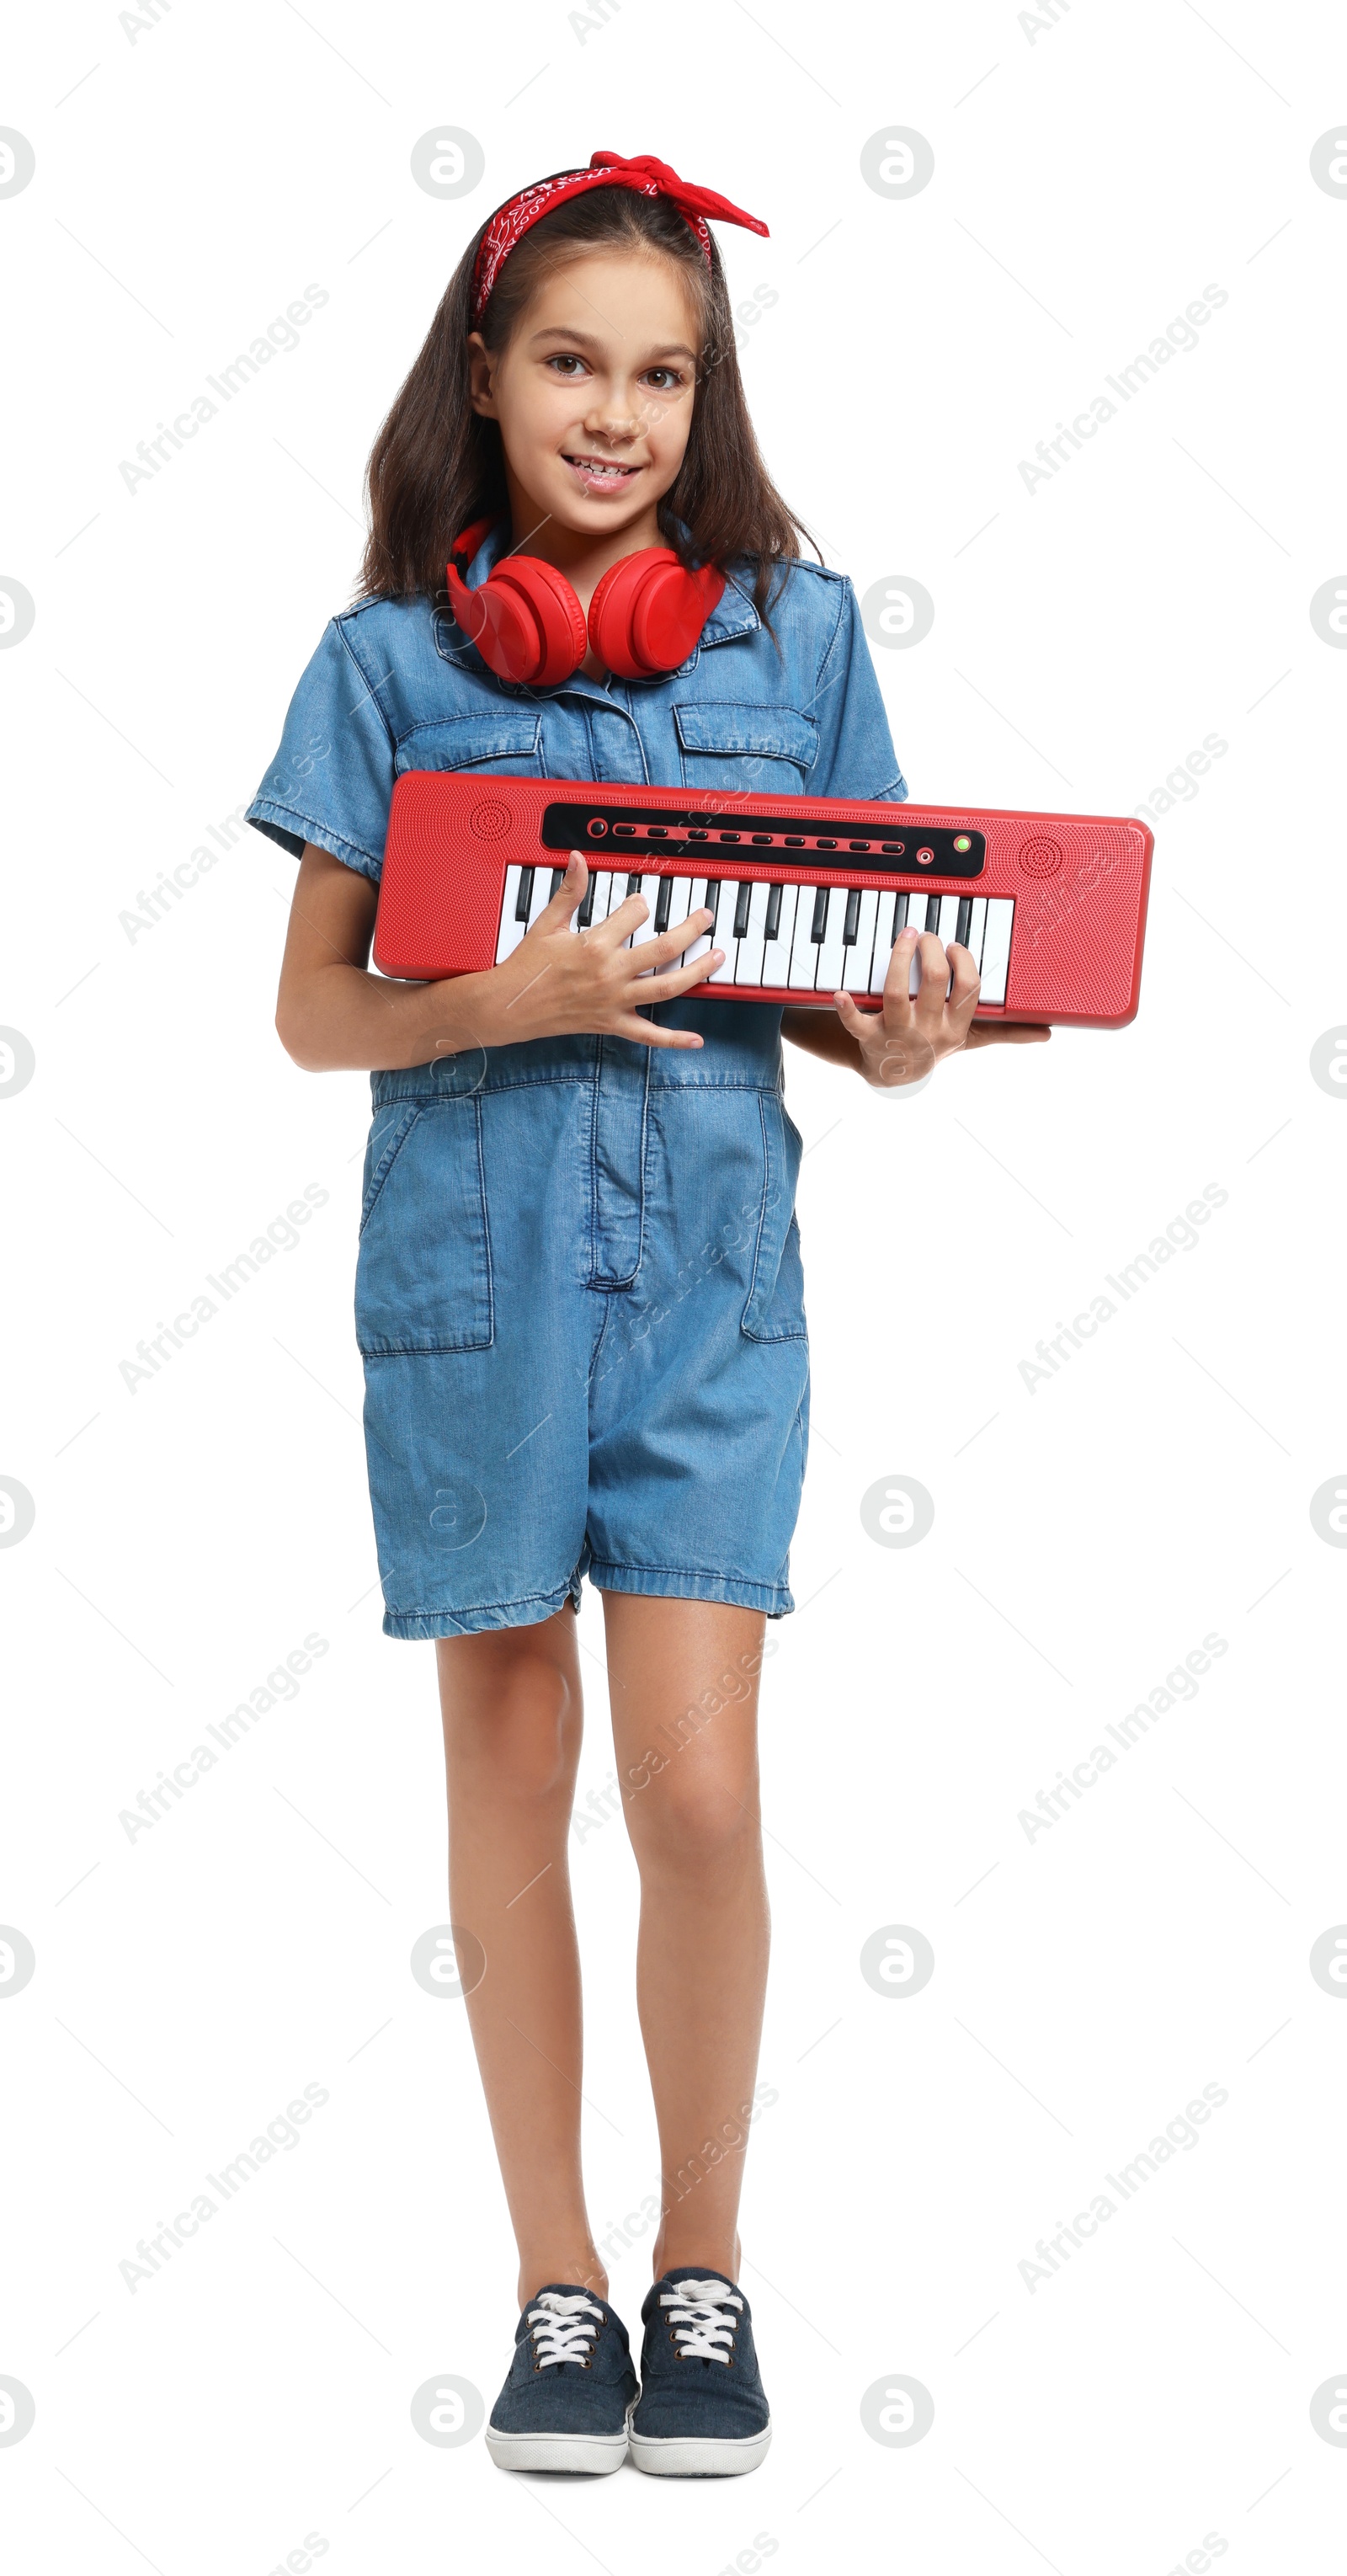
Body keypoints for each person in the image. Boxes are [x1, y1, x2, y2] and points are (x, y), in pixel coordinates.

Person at [249, 149, 1045, 2481]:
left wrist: (906, 1032)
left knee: (697, 1788)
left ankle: (703, 2268)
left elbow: (868, 957)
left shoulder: (795, 643)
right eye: (573, 363)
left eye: (664, 374)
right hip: (475, 1284)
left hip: (711, 1291)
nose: (618, 413)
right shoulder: (382, 668)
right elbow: (311, 1015)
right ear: (484, 380)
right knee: (513, 1793)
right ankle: (553, 2286)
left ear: (709, 400)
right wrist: (491, 989)